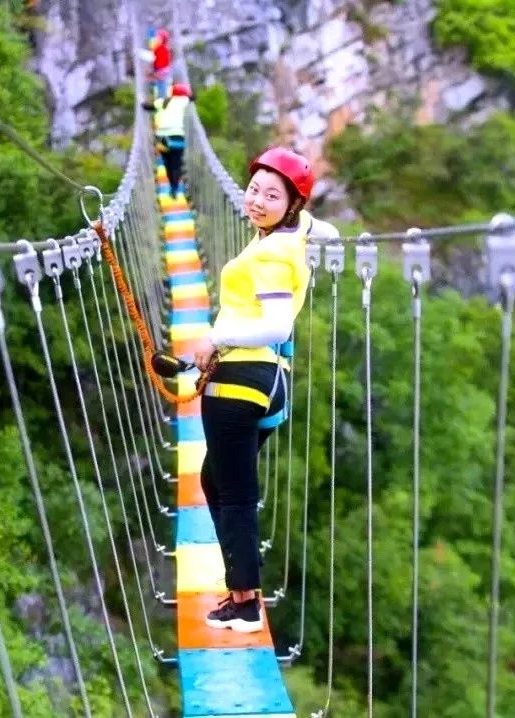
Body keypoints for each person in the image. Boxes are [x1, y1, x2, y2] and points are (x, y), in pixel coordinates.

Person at [192, 147, 335, 632]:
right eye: (254, 189)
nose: (256, 200)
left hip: (240, 382)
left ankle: (245, 604)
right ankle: (242, 588)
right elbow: (321, 229)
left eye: (272, 196)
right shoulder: (292, 232)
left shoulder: (273, 254)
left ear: (291, 204)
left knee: (234, 492)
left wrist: (214, 339)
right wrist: (307, 222)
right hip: (268, 380)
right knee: (216, 480)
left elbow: (276, 325)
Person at [141, 83, 192, 199]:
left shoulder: (162, 101)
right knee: (176, 164)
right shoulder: (183, 100)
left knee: (167, 164)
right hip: (176, 137)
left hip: (162, 138)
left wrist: (141, 100)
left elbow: (147, 107)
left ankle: (171, 186)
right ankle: (175, 189)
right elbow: (192, 97)